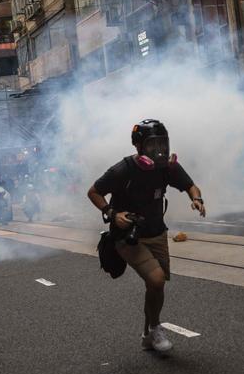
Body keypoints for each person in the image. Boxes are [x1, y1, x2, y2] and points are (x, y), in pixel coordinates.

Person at [87, 119, 206, 352]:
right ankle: (155, 328)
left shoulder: (166, 168)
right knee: (156, 279)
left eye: (162, 144)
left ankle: (147, 333)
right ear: (139, 147)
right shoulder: (123, 170)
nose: (159, 150)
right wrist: (112, 213)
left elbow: (191, 186)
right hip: (128, 237)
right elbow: (94, 192)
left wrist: (197, 199)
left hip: (157, 234)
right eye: (153, 145)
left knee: (156, 287)